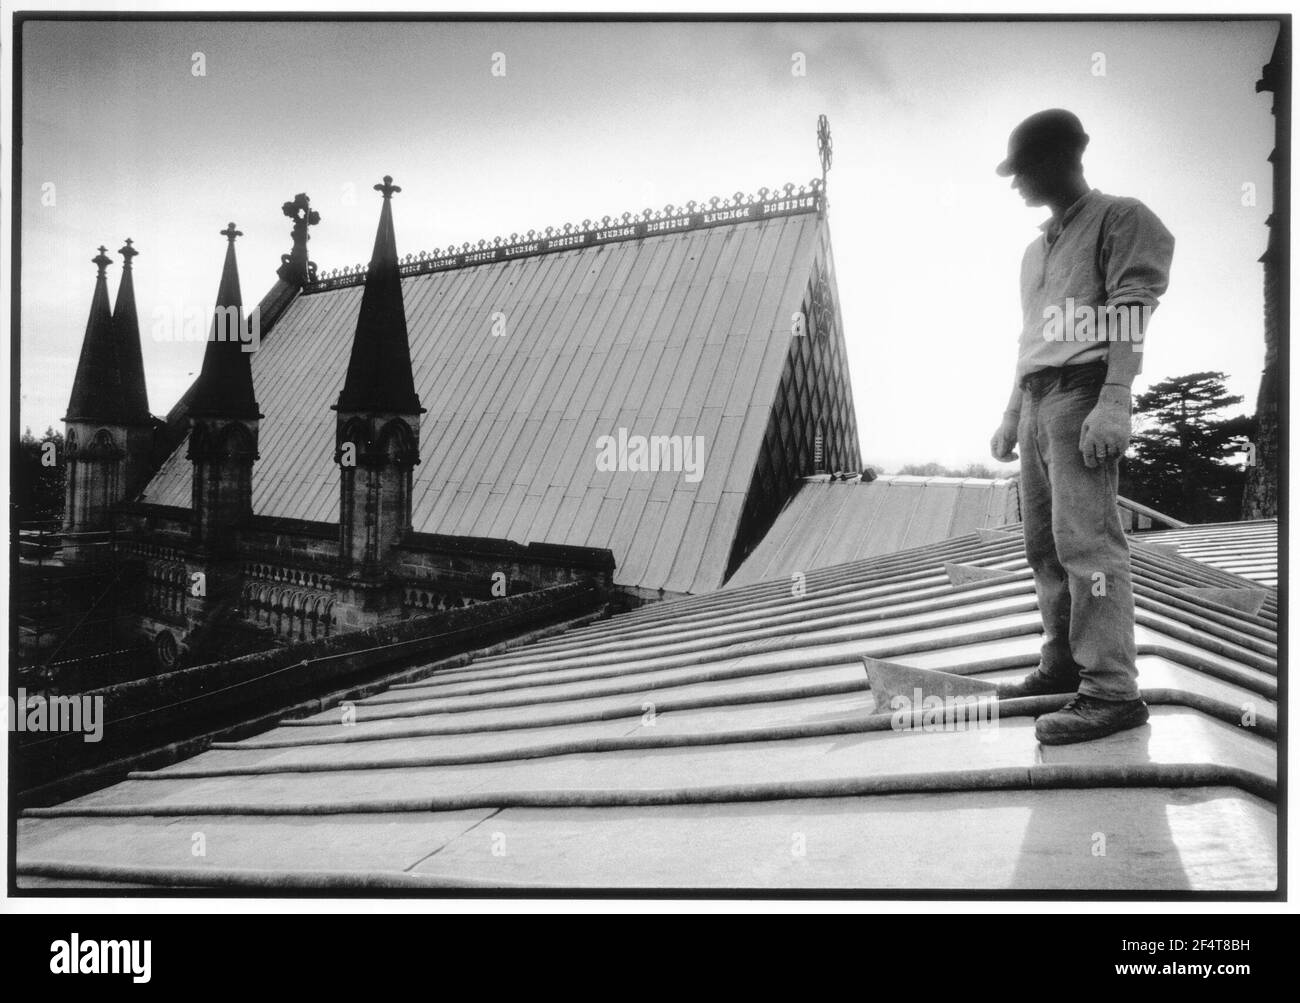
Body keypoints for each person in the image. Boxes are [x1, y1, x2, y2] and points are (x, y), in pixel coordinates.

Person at [989, 109, 1175, 745]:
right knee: (1043, 547)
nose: (1016, 183)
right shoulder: (1033, 251)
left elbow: (1131, 310)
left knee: (1088, 545)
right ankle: (1063, 665)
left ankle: (1112, 691)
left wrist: (1117, 396)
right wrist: (1013, 411)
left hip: (1082, 396)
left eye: (1022, 170)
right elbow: (1029, 338)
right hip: (1041, 401)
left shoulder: (1121, 218)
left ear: (1060, 157)